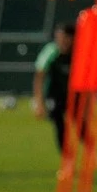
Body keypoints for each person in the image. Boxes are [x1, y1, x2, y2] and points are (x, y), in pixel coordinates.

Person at [33, 23, 78, 157]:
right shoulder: (51, 52)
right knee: (59, 124)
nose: (62, 41)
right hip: (54, 94)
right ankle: (67, 158)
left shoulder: (78, 52)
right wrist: (39, 102)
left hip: (73, 94)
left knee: (81, 126)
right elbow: (39, 76)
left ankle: (91, 150)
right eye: (59, 38)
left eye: (65, 38)